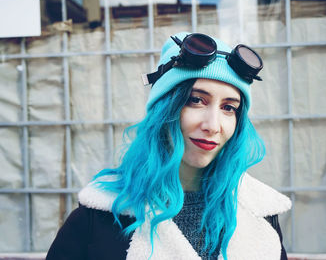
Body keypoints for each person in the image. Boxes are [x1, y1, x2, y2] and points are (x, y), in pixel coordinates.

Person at [46, 32, 291, 260]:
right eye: (196, 100)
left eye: (228, 107)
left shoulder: (261, 213)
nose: (213, 125)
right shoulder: (99, 216)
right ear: (165, 109)